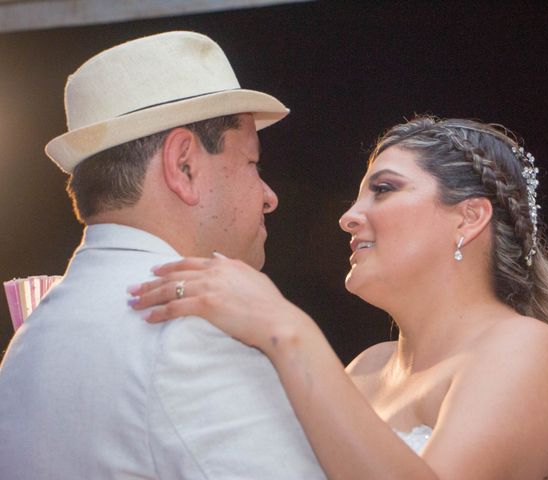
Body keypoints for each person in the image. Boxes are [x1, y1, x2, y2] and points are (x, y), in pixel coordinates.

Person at [131, 115, 548, 479]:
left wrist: (288, 329)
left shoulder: (528, 351)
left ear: (468, 218)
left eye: (383, 189)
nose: (349, 216)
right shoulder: (366, 368)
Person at [0, 31, 325, 479]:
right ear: (184, 165)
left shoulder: (31, 339)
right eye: (252, 162)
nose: (268, 197)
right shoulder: (187, 331)